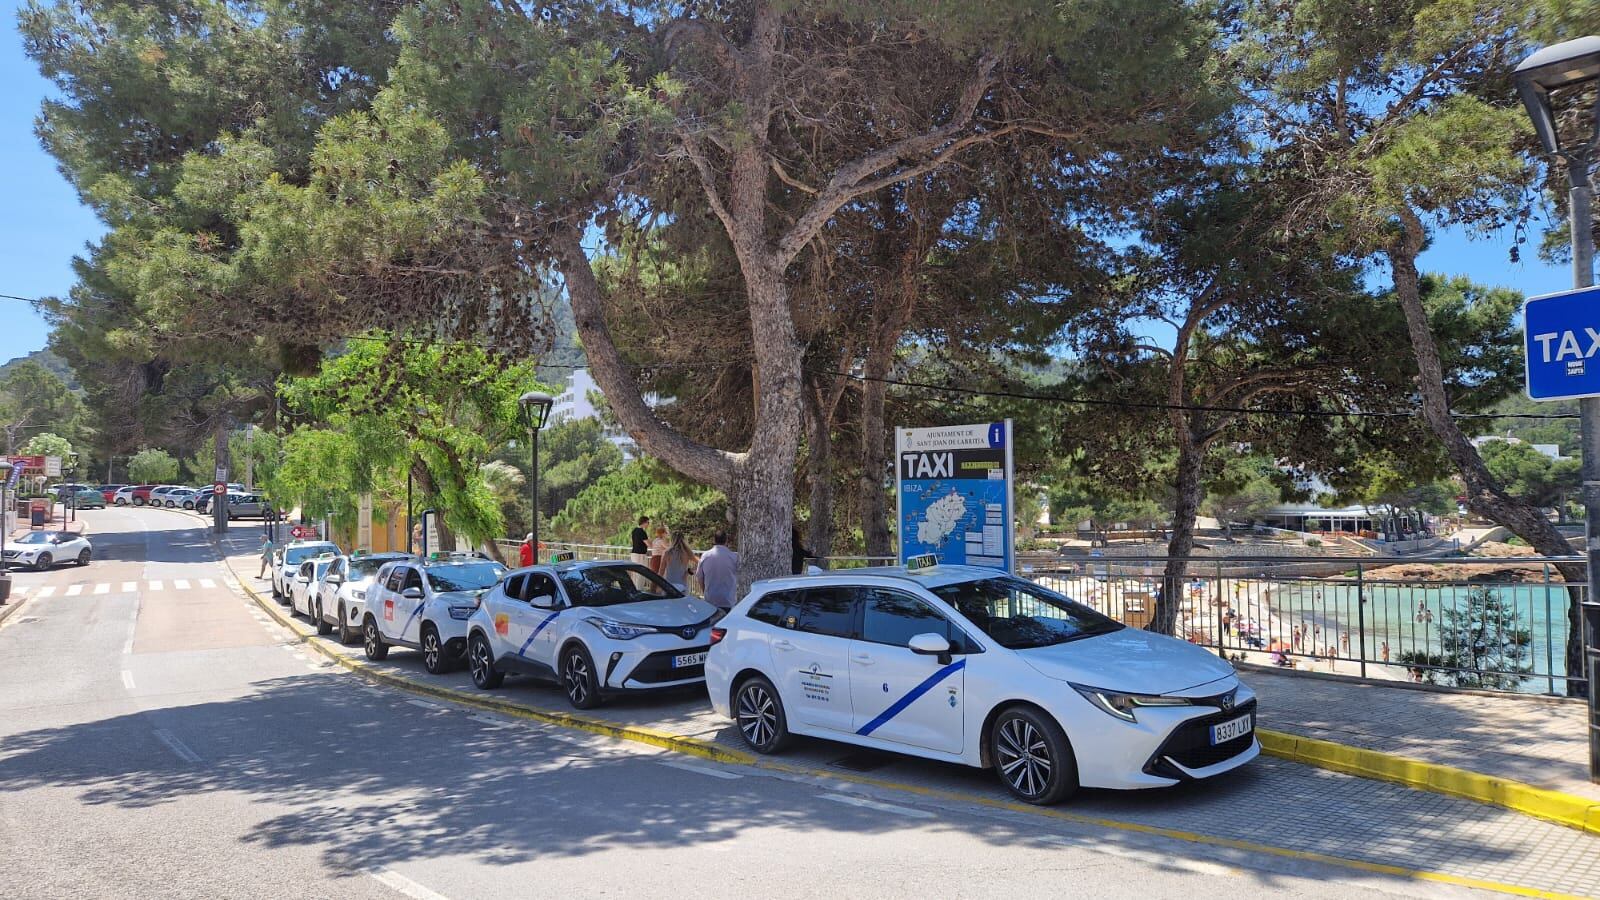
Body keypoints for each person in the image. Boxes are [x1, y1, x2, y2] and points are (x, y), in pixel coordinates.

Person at [697, 532, 739, 611]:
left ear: (714, 540)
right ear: (726, 541)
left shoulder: (705, 556)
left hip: (710, 600)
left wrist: (705, 591)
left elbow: (699, 577)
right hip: (728, 601)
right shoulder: (734, 557)